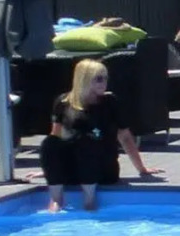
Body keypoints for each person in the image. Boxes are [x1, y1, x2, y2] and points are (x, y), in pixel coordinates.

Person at [39, 59, 157, 212]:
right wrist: (49, 169)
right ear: (84, 79)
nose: (104, 83)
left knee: (86, 140)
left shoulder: (110, 102)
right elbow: (56, 136)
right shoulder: (63, 102)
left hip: (102, 168)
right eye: (99, 79)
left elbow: (125, 137)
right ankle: (56, 199)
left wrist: (142, 169)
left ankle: (89, 200)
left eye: (106, 78)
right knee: (49, 142)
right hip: (74, 168)